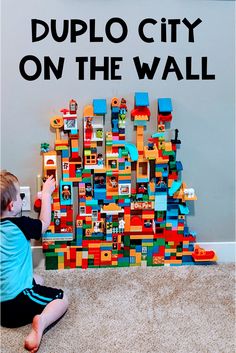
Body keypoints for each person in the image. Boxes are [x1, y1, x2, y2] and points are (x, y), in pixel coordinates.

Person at [0, 170, 68, 353]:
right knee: (61, 298)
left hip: (1, 306)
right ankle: (41, 322)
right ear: (12, 205)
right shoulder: (20, 224)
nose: (23, 199)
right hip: (13, 306)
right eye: (21, 196)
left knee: (38, 279)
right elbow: (44, 223)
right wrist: (46, 194)